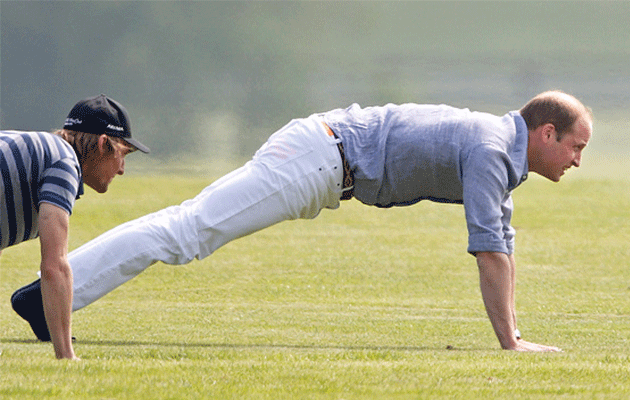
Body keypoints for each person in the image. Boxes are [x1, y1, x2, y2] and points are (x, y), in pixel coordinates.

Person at [11, 90, 592, 353]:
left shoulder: (499, 150)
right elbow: (490, 252)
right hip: (318, 158)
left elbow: (503, 244)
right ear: (545, 133)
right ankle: (47, 299)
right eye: (575, 146)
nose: (576, 160)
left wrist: (513, 336)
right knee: (187, 232)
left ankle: (48, 298)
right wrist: (511, 343)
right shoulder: (494, 149)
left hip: (322, 156)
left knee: (187, 230)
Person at [2, 94, 150, 359]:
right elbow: (54, 267)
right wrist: (66, 356)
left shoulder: (41, 153)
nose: (122, 169)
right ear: (104, 143)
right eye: (123, 154)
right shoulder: (63, 164)